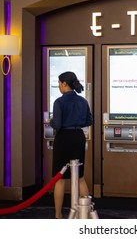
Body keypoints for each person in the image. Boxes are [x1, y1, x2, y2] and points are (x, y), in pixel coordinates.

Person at [49, 71, 93, 219]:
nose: (59, 87)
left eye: (59, 84)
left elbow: (57, 125)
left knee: (59, 178)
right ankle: (86, 213)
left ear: (64, 84)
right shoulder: (83, 101)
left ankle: (58, 215)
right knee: (80, 177)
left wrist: (50, 121)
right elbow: (89, 121)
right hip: (78, 138)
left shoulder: (59, 102)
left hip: (63, 139)